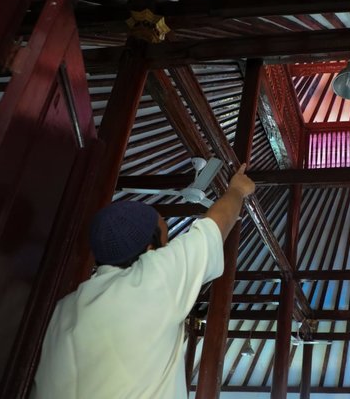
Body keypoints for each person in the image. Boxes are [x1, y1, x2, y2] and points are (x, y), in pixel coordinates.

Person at [31, 164, 255, 399]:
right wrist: (237, 190)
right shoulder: (152, 280)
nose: (168, 249)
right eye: (166, 238)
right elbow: (213, 228)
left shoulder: (65, 308)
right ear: (150, 249)